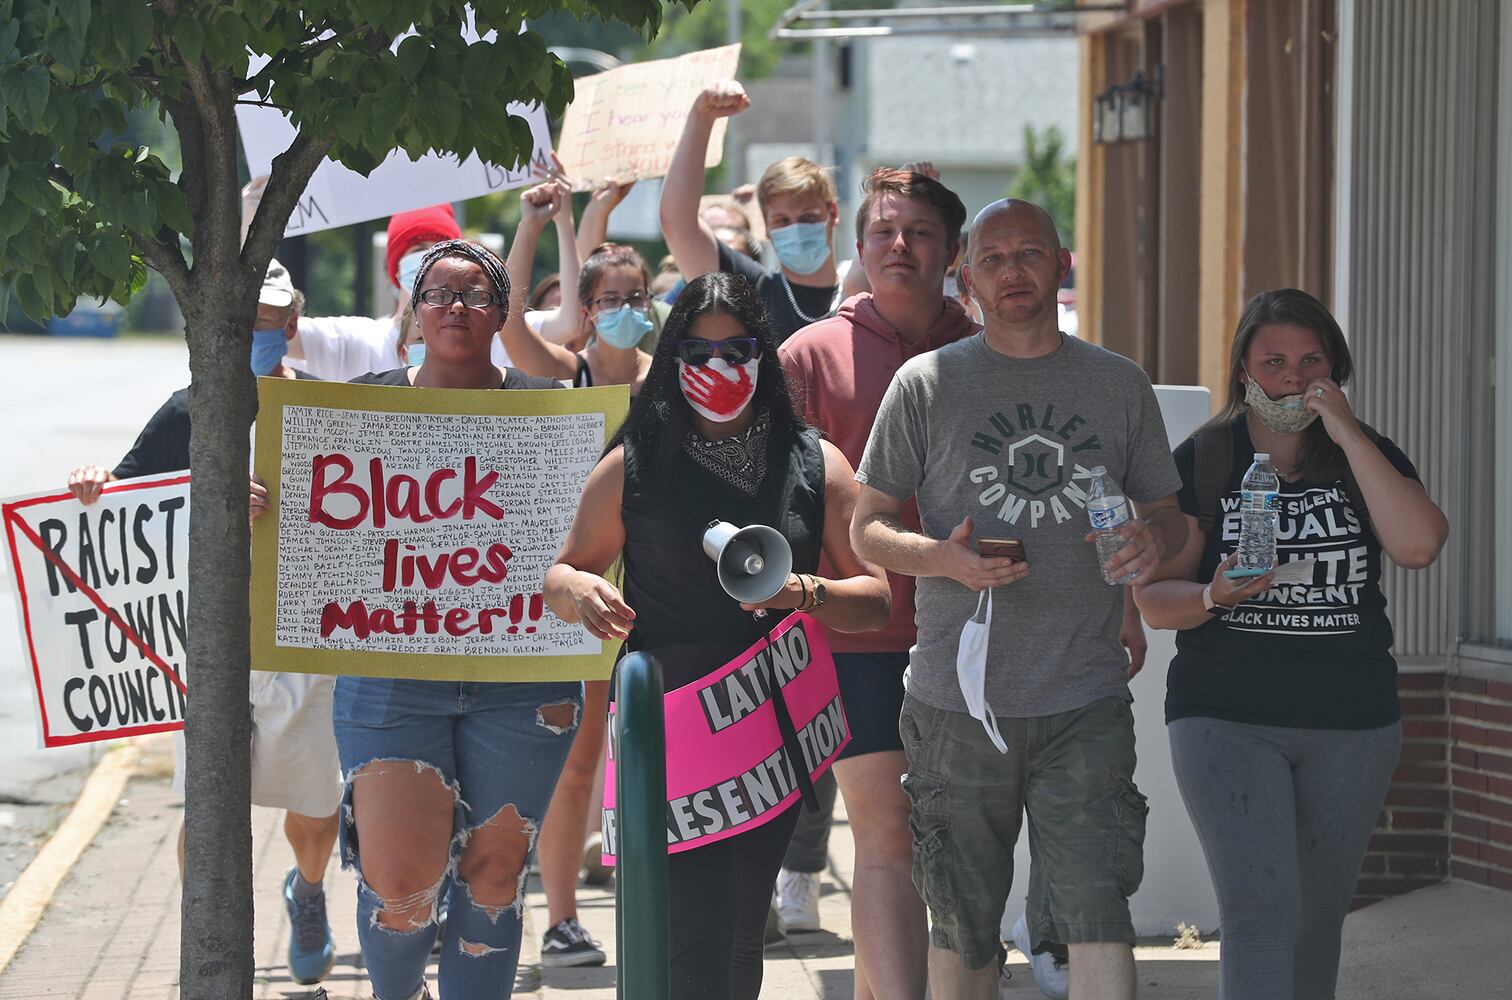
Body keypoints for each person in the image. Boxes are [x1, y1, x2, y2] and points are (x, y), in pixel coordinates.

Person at [850, 199, 1189, 1000]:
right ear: (967, 276)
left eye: (1029, 254)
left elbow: (1169, 516)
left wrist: (1153, 541)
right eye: (994, 259)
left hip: (1084, 696)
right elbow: (867, 529)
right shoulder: (926, 384)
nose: (1013, 272)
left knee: (1096, 914)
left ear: (1061, 263)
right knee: (963, 925)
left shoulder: (1117, 383)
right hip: (956, 703)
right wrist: (939, 557)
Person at [544, 271, 892, 1000]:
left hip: (770, 731)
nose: (718, 368)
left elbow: (876, 600)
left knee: (737, 927)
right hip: (669, 735)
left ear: (764, 354)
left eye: (736, 349)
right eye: (697, 355)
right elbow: (561, 574)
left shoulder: (813, 462)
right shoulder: (632, 466)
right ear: (672, 362)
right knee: (692, 927)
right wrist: (580, 591)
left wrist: (799, 591)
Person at [1132, 288, 1448, 1000]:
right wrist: (1216, 594)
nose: (1294, 377)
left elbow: (1421, 545)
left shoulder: (1366, 455)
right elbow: (1154, 601)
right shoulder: (1205, 459)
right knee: (1261, 910)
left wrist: (1349, 436)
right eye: (1275, 361)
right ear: (1245, 368)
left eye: (1311, 361)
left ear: (1335, 368)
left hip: (1354, 723)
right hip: (1227, 717)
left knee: (1315, 918)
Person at [315, 239, 579, 1000]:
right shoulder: (358, 407)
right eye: (438, 293)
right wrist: (266, 500)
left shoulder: (556, 413)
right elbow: (302, 505)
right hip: (391, 678)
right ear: (413, 311)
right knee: (399, 884)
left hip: (524, 681)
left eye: (474, 294)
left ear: (503, 312)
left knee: (496, 873)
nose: (454, 307)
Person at [66, 260, 342, 987]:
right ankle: (210, 935)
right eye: (241, 317)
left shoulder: (325, 412)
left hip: (300, 645)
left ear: (291, 324)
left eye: (267, 317)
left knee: (316, 811)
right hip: (209, 645)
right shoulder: (185, 411)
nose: (255, 330)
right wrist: (96, 489)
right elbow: (126, 508)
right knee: (210, 803)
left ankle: (307, 893)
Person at [778, 166, 974, 996]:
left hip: (978, 632)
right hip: (855, 636)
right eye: (885, 232)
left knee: (961, 839)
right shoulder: (807, 356)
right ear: (857, 246)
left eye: (921, 232)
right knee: (887, 833)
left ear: (953, 252)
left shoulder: (992, 345)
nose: (901, 247)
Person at [661, 81, 842, 342]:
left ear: (832, 213)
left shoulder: (863, 292)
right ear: (766, 229)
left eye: (808, 217)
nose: (797, 229)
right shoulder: (752, 292)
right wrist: (701, 118)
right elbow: (678, 224)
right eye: (782, 221)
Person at [281, 203, 471, 381]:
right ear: (396, 270)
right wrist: (255, 226)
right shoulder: (360, 342)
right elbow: (271, 330)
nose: (429, 258)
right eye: (418, 249)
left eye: (440, 249)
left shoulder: (482, 342)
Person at [500, 182, 654, 395]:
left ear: (649, 303)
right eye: (610, 300)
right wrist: (529, 225)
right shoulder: (571, 373)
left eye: (635, 298)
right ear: (587, 312)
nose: (625, 308)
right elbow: (510, 326)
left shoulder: (668, 375)